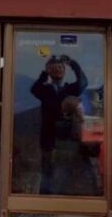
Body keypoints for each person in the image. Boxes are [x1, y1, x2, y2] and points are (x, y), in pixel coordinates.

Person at [30, 55, 88, 193]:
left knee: (65, 173)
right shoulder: (45, 90)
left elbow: (83, 83)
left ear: (64, 70)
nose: (57, 70)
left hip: (67, 139)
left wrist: (72, 63)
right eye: (54, 68)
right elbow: (34, 89)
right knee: (47, 172)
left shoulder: (69, 89)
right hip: (48, 139)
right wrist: (45, 73)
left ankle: (62, 200)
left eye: (60, 67)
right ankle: (45, 201)